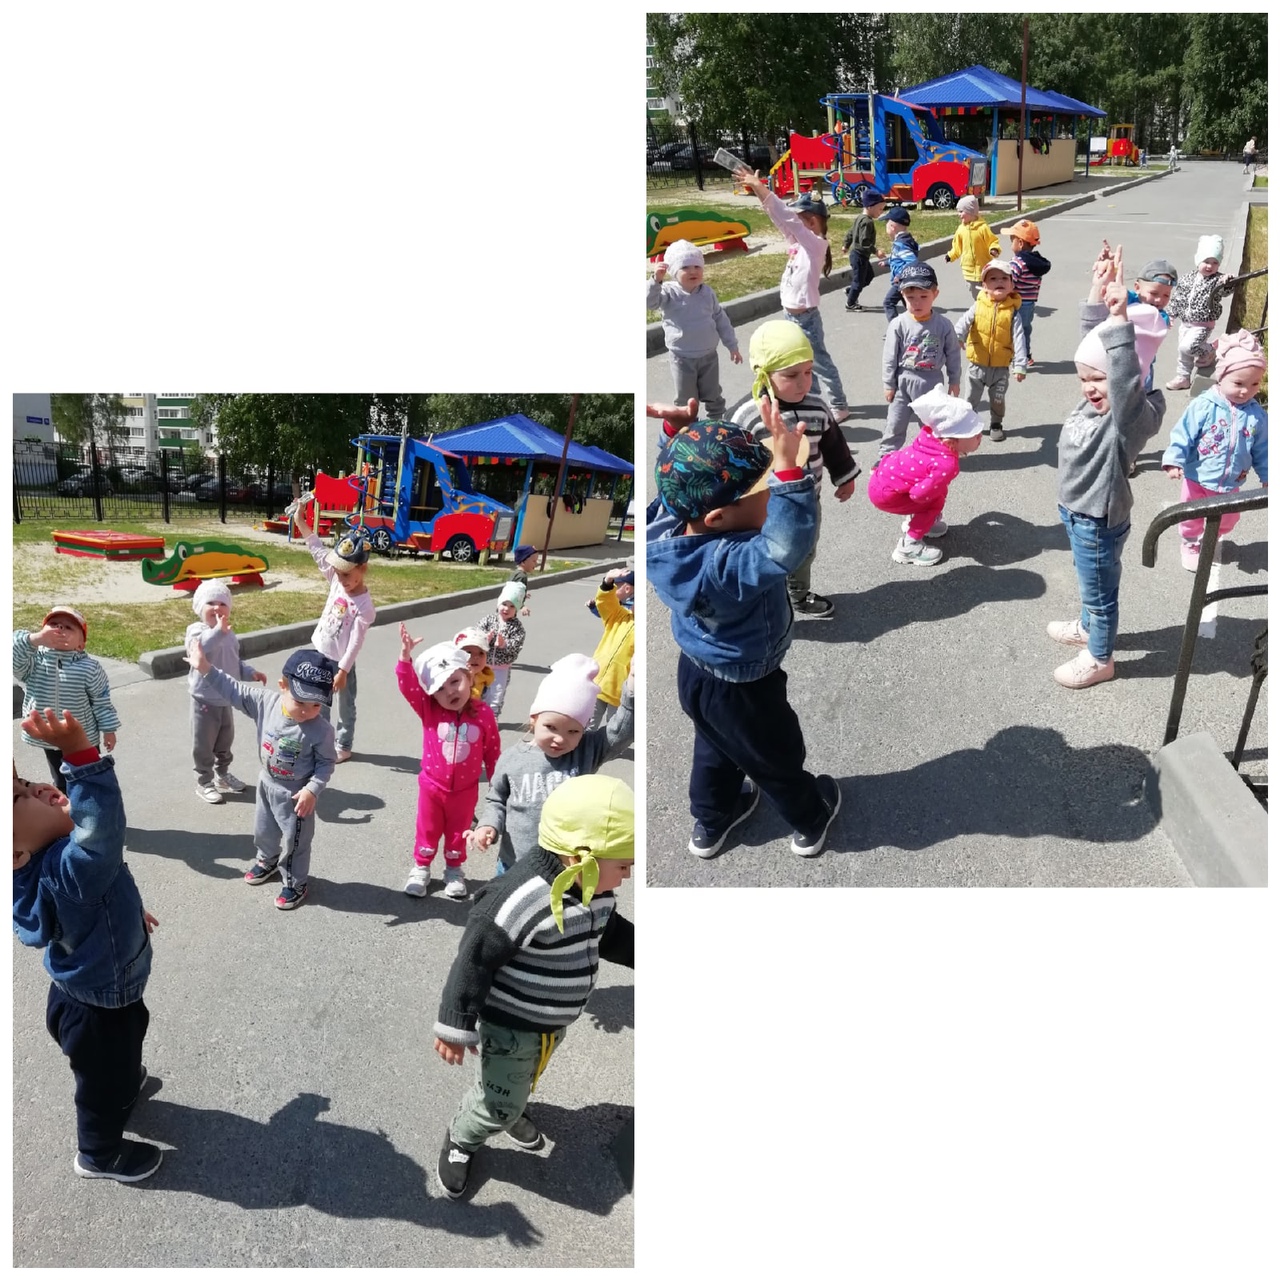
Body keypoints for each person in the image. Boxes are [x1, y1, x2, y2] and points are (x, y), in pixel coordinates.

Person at [648, 401, 842, 859]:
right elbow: (784, 546)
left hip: (697, 672)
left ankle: (712, 820)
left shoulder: (666, 529)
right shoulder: (728, 566)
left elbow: (672, 483)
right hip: (745, 685)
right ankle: (810, 818)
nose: (773, 489)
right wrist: (791, 477)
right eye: (765, 488)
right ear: (718, 518)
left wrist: (680, 437)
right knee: (775, 755)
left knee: (715, 745)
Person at [433, 774, 634, 1200]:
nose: (628, 874)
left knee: (525, 1077)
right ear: (578, 858)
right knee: (499, 1098)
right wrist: (455, 1023)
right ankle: (466, 1133)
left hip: (550, 1024)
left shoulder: (594, 888)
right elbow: (475, 957)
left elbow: (609, 931)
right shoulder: (521, 898)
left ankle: (509, 1103)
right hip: (511, 1026)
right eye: (623, 865)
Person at [13, 709, 162, 1183]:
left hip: (75, 997)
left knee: (121, 1052)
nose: (37, 788)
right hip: (100, 1011)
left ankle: (122, 1078)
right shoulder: (73, 868)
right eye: (19, 798)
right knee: (101, 1087)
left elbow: (90, 904)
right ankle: (99, 1155)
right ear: (13, 852)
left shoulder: (33, 870)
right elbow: (101, 833)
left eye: (26, 781)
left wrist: (126, 913)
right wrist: (80, 755)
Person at [1048, 250, 1165, 689]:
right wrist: (1100, 287)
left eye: (1098, 380)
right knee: (1091, 585)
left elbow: (1122, 375)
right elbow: (1092, 341)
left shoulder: (1130, 416)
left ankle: (1100, 658)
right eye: (1083, 380)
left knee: (1100, 595)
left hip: (1097, 521)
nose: (1089, 389)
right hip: (1075, 511)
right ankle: (1086, 628)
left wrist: (1119, 320)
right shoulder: (1095, 400)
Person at [184, 643, 338, 909]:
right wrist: (205, 667)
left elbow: (326, 763)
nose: (307, 711)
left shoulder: (322, 730)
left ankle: (296, 883)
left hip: (296, 797)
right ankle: (268, 860)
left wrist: (312, 789)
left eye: (316, 705)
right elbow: (233, 689)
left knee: (296, 842)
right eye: (300, 702)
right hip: (267, 783)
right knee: (263, 831)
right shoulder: (265, 703)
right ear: (283, 686)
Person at [733, 320, 860, 621]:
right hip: (763, 506)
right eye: (791, 375)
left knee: (804, 549)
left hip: (807, 499)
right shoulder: (748, 415)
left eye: (808, 372)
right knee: (766, 553)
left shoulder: (817, 407)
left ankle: (798, 595)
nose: (804, 383)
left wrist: (844, 476)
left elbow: (834, 444)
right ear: (763, 374)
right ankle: (762, 601)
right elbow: (730, 461)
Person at [473, 654, 635, 875]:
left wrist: (632, 688)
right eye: (551, 727)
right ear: (534, 719)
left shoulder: (585, 752)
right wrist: (488, 825)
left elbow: (621, 732)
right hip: (514, 866)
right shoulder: (512, 759)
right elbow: (497, 800)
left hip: (566, 870)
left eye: (573, 731)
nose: (560, 738)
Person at [735, 166, 852, 422]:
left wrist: (761, 187)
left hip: (806, 318)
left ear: (812, 222)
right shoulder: (799, 243)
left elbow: (787, 219)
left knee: (819, 363)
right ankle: (810, 403)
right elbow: (780, 219)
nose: (793, 224)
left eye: (799, 219)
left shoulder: (814, 244)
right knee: (802, 362)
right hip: (792, 316)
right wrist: (758, 190)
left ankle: (839, 405)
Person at [396, 630, 501, 900]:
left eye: (454, 681)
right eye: (440, 689)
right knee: (427, 828)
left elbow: (492, 752)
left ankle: (454, 870)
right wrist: (405, 659)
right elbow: (409, 687)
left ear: (469, 676)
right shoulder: (430, 709)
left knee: (458, 831)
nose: (450, 691)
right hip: (432, 787)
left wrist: (497, 785)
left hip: (465, 791)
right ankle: (421, 867)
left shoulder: (484, 714)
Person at [1161, 329, 1268, 570]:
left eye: (1254, 384)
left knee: (1229, 517)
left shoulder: (1257, 415)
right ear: (1221, 377)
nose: (1246, 390)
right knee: (1192, 514)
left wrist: (1267, 474)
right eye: (1238, 383)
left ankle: (1212, 536)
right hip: (1198, 477)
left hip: (1231, 481)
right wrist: (1174, 459)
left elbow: (1263, 449)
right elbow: (1183, 433)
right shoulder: (1204, 406)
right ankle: (1190, 543)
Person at [290, 503, 376, 763]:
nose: (341, 579)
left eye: (347, 574)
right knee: (319, 699)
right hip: (321, 653)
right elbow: (317, 550)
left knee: (345, 704)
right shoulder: (337, 581)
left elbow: (356, 642)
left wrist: (343, 671)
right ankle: (322, 740)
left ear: (362, 568)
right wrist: (300, 522)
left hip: (342, 663)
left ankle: (344, 744)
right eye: (338, 573)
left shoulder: (364, 606)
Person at [868, 386, 984, 567]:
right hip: (887, 494)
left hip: (882, 480)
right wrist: (930, 508)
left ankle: (923, 522)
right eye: (974, 434)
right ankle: (909, 546)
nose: (980, 436)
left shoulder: (930, 435)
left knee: (936, 493)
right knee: (934, 503)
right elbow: (918, 495)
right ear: (952, 441)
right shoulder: (947, 464)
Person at [13, 607, 120, 787]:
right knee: (61, 779)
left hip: (82, 738)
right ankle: (65, 802)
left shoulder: (89, 668)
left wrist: (109, 729)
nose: (60, 628)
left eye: (68, 627)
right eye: (53, 624)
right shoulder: (34, 663)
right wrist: (34, 639)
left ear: (80, 644)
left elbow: (101, 701)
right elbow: (12, 657)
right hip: (50, 735)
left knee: (89, 777)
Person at [185, 580, 268, 804]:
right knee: (204, 744)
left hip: (226, 698)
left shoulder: (228, 634)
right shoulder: (196, 631)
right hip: (204, 700)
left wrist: (250, 673)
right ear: (199, 607)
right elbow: (200, 648)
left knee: (225, 742)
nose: (217, 607)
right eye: (210, 603)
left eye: (222, 603)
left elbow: (234, 662)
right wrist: (218, 632)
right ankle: (204, 781)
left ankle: (222, 774)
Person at [647, 239, 742, 420]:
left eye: (697, 266)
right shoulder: (667, 292)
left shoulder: (707, 293)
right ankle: (688, 425)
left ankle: (716, 422)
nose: (693, 271)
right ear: (674, 271)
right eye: (685, 267)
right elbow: (649, 303)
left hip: (709, 356)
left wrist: (732, 345)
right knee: (686, 399)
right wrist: (655, 281)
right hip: (682, 358)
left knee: (713, 393)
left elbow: (720, 319)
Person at [879, 261, 962, 458]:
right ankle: (886, 456)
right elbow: (889, 356)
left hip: (931, 381)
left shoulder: (943, 325)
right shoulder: (898, 324)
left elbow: (953, 354)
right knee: (895, 422)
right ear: (902, 295)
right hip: (903, 380)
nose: (917, 303)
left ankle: (934, 455)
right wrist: (889, 384)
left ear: (935, 294)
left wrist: (954, 380)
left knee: (932, 424)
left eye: (924, 296)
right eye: (910, 297)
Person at [954, 259, 1028, 442]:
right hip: (976, 366)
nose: (999, 281)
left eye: (1004, 278)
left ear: (1011, 285)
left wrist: (1020, 365)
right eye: (993, 278)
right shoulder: (977, 306)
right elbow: (963, 322)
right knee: (971, 399)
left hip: (1000, 369)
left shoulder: (1013, 313)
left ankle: (996, 423)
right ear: (984, 286)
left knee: (997, 399)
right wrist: (958, 336)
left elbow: (1019, 339)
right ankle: (969, 425)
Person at [1165, 234, 1241, 391]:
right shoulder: (1187, 278)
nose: (1210, 266)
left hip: (1203, 324)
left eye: (1215, 262)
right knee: (1183, 352)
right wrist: (1170, 315)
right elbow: (1178, 298)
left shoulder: (1217, 280)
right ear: (1198, 260)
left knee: (1187, 347)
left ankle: (1210, 350)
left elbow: (1226, 291)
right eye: (1206, 261)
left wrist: (1228, 281)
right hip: (1186, 322)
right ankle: (1183, 377)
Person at [588, 567, 636, 728]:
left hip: (621, 692)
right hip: (598, 684)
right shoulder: (619, 615)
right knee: (587, 726)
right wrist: (608, 581)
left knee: (614, 731)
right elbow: (606, 601)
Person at [1003, 219, 1051, 367]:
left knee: (1013, 331)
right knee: (1025, 330)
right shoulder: (1036, 262)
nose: (1010, 244)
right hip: (1029, 303)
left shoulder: (1018, 262)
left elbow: (1009, 283)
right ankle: (1026, 354)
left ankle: (1016, 358)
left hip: (1016, 303)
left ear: (1020, 243)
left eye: (1012, 240)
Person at [477, 583, 527, 719]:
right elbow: (476, 635)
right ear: (499, 603)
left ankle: (492, 718)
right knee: (478, 691)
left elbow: (517, 645)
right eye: (504, 604)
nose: (507, 609)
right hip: (483, 665)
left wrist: (505, 644)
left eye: (512, 606)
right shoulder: (488, 620)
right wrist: (485, 638)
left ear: (517, 609)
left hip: (501, 668)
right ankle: (477, 717)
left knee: (496, 695)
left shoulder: (517, 627)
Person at [943, 194, 1000, 299]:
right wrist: (950, 256)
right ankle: (979, 306)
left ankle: (987, 307)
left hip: (983, 268)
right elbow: (957, 247)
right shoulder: (961, 230)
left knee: (987, 295)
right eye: (958, 212)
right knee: (976, 296)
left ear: (971, 212)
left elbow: (992, 240)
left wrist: (994, 249)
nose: (959, 215)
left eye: (961, 211)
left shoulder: (983, 228)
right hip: (968, 270)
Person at [842, 187, 886, 311]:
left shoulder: (860, 218)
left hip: (860, 255)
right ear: (870, 207)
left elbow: (851, 232)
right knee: (859, 281)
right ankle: (850, 304)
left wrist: (846, 245)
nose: (881, 212)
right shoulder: (867, 222)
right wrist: (876, 251)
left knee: (868, 276)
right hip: (859, 255)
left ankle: (850, 291)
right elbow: (864, 241)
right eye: (880, 209)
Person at [878, 206, 919, 322]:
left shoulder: (901, 244)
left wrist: (900, 275)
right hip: (905, 280)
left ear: (892, 226)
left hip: (902, 281)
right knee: (910, 306)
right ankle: (916, 325)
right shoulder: (906, 241)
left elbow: (912, 262)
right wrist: (887, 262)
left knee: (888, 302)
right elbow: (899, 258)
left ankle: (895, 328)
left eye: (886, 224)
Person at [453, 626, 496, 701]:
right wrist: (469, 679)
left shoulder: (486, 676)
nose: (476, 657)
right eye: (469, 652)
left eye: (481, 653)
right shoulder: (451, 677)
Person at [508, 544, 537, 616]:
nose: (536, 563)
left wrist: (523, 594)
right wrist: (522, 607)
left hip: (506, 610)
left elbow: (514, 590)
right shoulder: (521, 576)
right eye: (534, 561)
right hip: (508, 612)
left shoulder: (517, 573)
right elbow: (513, 595)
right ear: (523, 562)